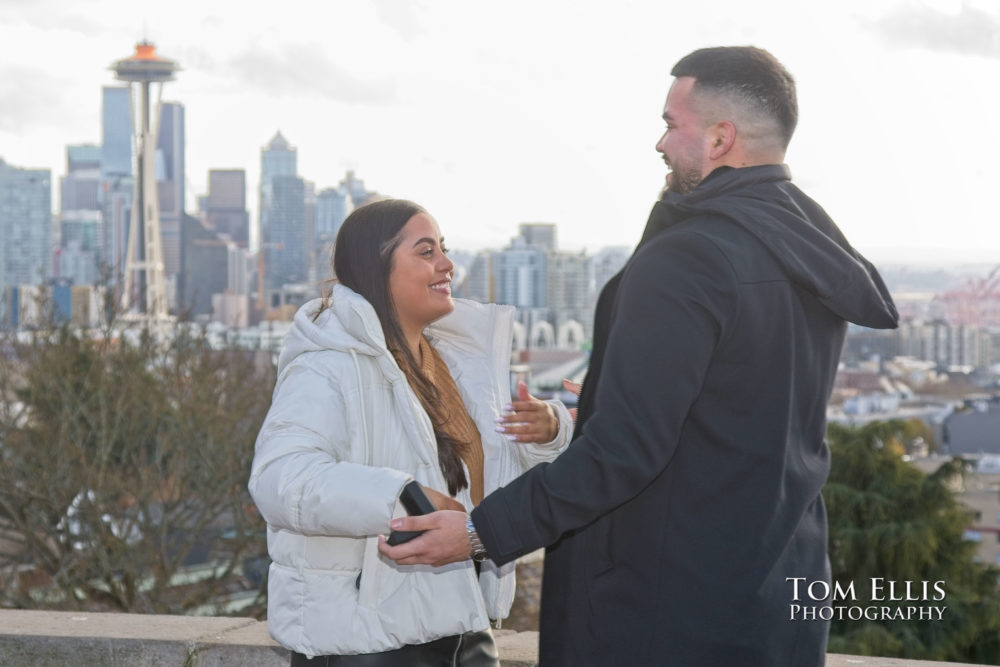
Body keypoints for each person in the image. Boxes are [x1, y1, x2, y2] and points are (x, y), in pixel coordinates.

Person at [379, 46, 899, 665]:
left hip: (666, 612)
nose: (659, 143)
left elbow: (625, 450)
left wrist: (477, 532)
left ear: (719, 137)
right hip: (773, 597)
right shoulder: (804, 250)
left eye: (671, 124)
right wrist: (601, 397)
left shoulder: (688, 259)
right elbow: (739, 406)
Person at [248, 198, 573, 665]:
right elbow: (281, 478)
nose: (447, 264)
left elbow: (484, 490)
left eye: (443, 248)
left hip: (465, 628)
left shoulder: (453, 366)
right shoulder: (328, 364)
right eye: (426, 252)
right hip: (368, 643)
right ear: (376, 268)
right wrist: (401, 496)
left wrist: (547, 435)